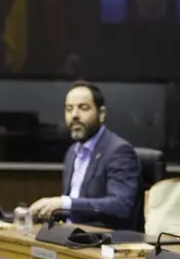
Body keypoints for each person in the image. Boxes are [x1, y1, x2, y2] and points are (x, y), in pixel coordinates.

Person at [30, 81, 141, 230]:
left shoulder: (119, 151)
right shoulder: (72, 152)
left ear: (101, 114)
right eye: (69, 109)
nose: (74, 115)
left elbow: (120, 206)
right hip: (70, 234)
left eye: (83, 108)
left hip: (102, 241)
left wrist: (65, 203)